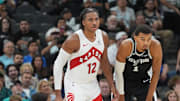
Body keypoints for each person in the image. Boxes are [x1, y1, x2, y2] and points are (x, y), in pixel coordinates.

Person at [53, 8, 118, 101]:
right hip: (75, 85)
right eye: (90, 20)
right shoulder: (74, 40)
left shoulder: (103, 36)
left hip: (92, 84)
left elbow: (105, 63)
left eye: (96, 19)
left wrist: (112, 85)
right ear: (83, 22)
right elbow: (58, 65)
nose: (94, 23)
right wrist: (58, 94)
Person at [115, 24, 162, 101]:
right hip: (124, 80)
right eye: (142, 39)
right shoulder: (126, 45)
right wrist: (121, 94)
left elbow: (156, 73)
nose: (146, 43)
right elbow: (118, 73)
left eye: (149, 39)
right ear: (135, 38)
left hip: (143, 81)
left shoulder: (155, 46)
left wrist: (149, 97)